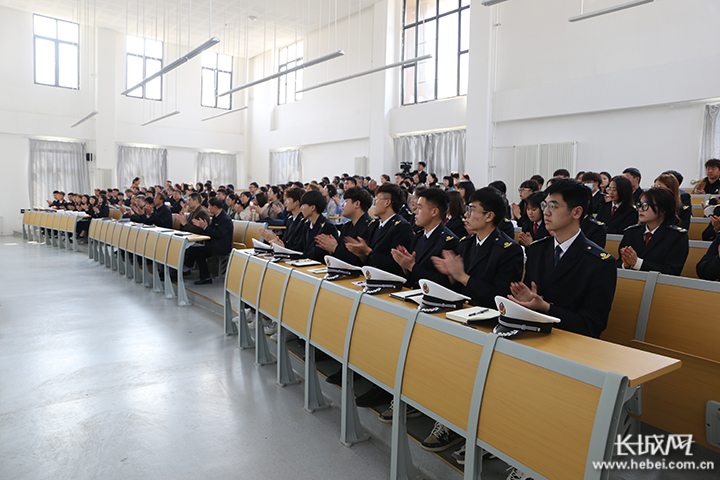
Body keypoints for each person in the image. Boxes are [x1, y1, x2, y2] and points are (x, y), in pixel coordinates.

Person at [504, 179, 617, 480]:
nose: (546, 212)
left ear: (577, 211)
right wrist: (524, 305)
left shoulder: (600, 261)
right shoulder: (539, 250)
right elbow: (532, 299)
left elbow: (593, 326)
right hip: (535, 339)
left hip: (573, 349)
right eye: (545, 205)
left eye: (554, 206)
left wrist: (547, 309)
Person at [420, 187, 524, 453]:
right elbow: (457, 291)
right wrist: (450, 276)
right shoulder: (465, 244)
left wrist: (463, 277)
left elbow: (500, 300)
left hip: (489, 328)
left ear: (489, 216)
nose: (465, 215)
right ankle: (449, 421)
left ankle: (478, 436)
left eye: (471, 210)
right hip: (459, 320)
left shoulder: (508, 249)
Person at [390, 187, 460, 288]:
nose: (415, 212)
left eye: (420, 208)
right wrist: (405, 266)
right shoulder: (418, 236)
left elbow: (443, 283)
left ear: (434, 212)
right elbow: (410, 277)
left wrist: (411, 266)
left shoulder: (449, 241)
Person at [345, 183, 413, 278]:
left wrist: (368, 252)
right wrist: (361, 253)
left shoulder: (401, 226)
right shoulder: (374, 225)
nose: (374, 203)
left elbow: (395, 264)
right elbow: (368, 259)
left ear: (387, 202)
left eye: (377, 200)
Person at [617, 186, 689, 276]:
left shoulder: (677, 236)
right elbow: (618, 263)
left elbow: (672, 270)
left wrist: (638, 263)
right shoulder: (631, 232)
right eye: (639, 205)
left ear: (663, 210)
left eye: (646, 205)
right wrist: (625, 265)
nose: (640, 209)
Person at [315, 186, 375, 265]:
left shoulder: (370, 227)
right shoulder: (347, 227)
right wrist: (331, 248)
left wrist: (334, 248)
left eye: (346, 201)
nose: (342, 205)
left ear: (357, 204)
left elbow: (356, 260)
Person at [183, 197, 234, 285]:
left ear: (215, 207)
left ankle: (186, 267)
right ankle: (205, 277)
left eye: (210, 206)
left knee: (198, 248)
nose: (208, 208)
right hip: (214, 243)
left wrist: (206, 228)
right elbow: (212, 231)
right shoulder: (216, 217)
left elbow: (219, 234)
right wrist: (206, 227)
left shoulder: (225, 219)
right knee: (200, 253)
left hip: (222, 246)